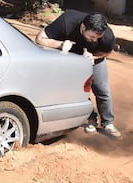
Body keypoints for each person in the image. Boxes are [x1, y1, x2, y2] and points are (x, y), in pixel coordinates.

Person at [34, 10, 121, 139]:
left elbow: (107, 52)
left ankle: (107, 122)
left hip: (94, 58)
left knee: (102, 90)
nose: (94, 40)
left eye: (97, 38)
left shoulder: (107, 36)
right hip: (69, 56)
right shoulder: (66, 22)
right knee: (78, 91)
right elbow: (39, 38)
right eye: (91, 37)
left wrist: (93, 57)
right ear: (83, 27)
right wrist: (60, 44)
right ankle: (90, 118)